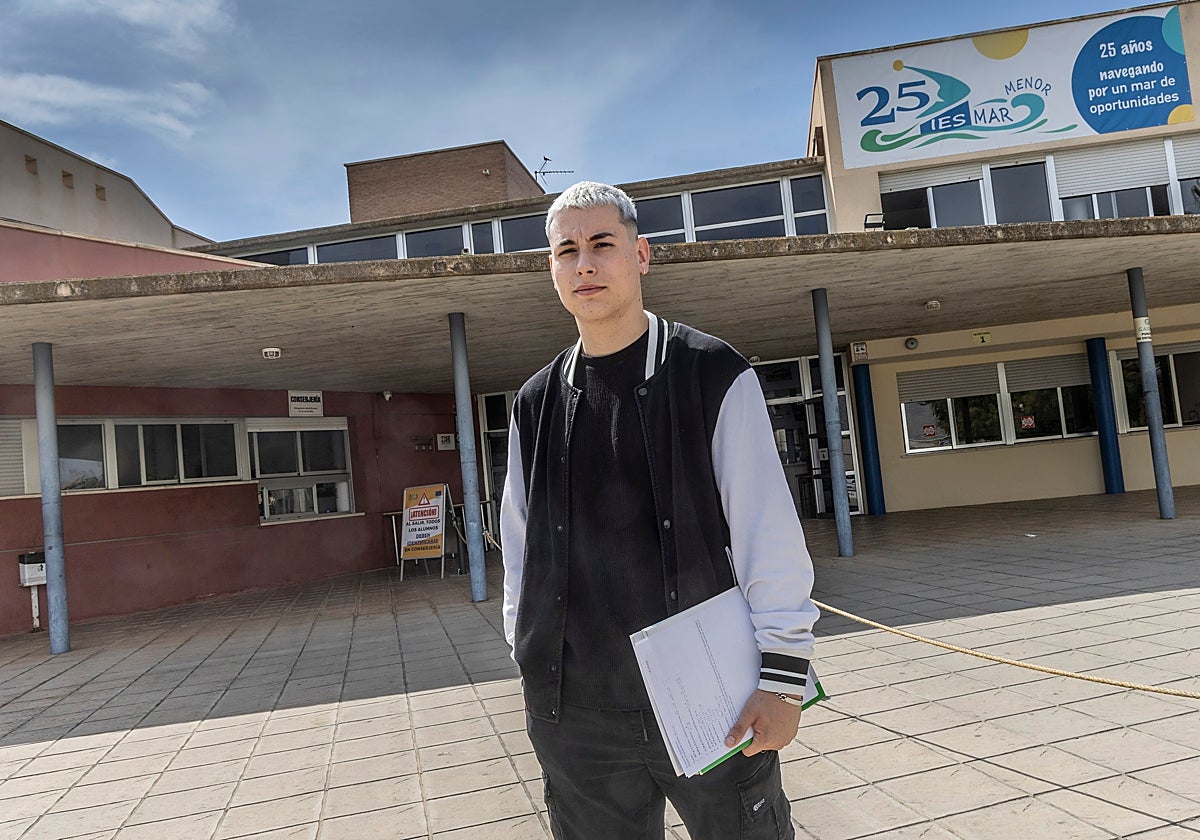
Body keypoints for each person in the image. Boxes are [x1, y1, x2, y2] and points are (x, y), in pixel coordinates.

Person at [500, 181, 819, 840]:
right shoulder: (535, 404)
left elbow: (768, 532)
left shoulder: (710, 372)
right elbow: (521, 552)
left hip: (712, 697)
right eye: (566, 251)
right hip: (578, 717)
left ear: (641, 255)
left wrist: (784, 680)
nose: (584, 264)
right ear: (552, 270)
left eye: (601, 244)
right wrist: (531, 663)